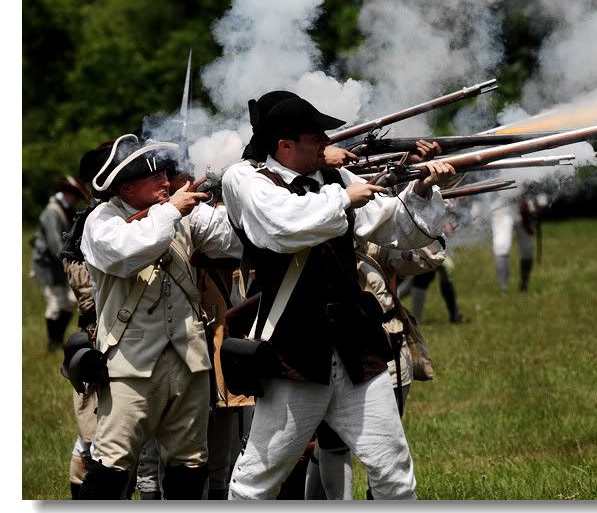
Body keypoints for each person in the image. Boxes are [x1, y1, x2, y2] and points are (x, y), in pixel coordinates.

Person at [222, 91, 453, 500]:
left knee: (394, 474)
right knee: (254, 484)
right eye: (316, 137)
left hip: (353, 345)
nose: (327, 143)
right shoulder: (245, 181)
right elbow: (283, 228)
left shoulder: (332, 180)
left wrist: (421, 188)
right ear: (285, 145)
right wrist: (344, 198)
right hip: (292, 351)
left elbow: (392, 227)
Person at [77, 134, 242, 499]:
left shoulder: (176, 211)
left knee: (189, 467)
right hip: (130, 367)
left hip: (190, 361)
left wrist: (243, 190)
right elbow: (129, 251)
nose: (168, 182)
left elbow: (234, 240)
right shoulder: (101, 222)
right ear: (129, 187)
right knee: (110, 469)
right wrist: (171, 210)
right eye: (157, 179)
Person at [304, 239, 445, 500]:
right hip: (332, 353)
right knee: (330, 446)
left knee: (384, 452)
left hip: (386, 355)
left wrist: (426, 229)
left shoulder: (376, 235)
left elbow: (417, 259)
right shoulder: (316, 233)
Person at [31, 176, 90, 350]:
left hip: (61, 264)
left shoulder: (65, 209)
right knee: (55, 304)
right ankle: (53, 343)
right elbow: (54, 242)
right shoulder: (52, 211)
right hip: (49, 266)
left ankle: (58, 341)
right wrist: (70, 262)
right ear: (68, 193)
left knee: (70, 302)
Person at [490, 193, 537, 292]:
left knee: (528, 249)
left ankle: (524, 284)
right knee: (501, 245)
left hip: (523, 201)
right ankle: (504, 287)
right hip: (501, 204)